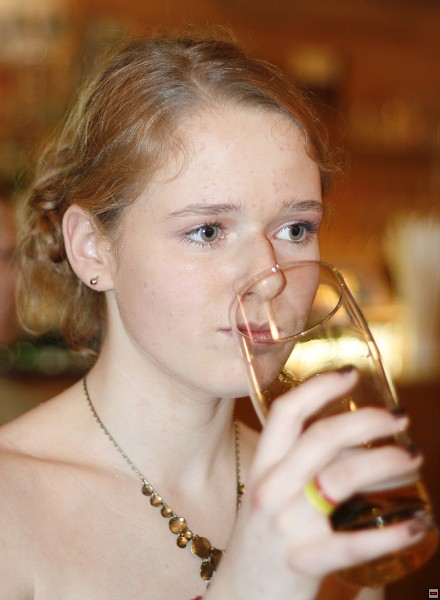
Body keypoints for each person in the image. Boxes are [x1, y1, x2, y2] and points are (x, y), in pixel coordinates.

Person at [0, 32, 426, 600]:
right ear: (92, 248)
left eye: (295, 228)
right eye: (207, 231)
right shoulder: (11, 506)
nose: (270, 277)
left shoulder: (326, 494)